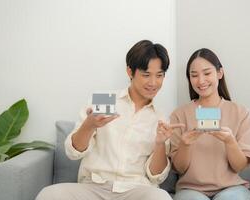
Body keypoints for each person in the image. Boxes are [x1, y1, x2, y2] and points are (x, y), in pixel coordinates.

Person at [36, 40, 183, 200]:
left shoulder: (160, 118)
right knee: (49, 195)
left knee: (162, 198)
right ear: (130, 71)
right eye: (146, 75)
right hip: (93, 187)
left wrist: (160, 143)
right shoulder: (105, 100)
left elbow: (156, 176)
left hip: (135, 190)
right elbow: (73, 153)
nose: (153, 83)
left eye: (159, 75)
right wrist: (89, 125)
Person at [170, 48, 250, 200]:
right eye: (194, 75)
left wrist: (230, 142)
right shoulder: (179, 114)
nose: (201, 80)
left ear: (219, 73)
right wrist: (185, 144)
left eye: (207, 73)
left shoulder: (240, 112)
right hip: (190, 189)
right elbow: (179, 168)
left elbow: (239, 166)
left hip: (231, 188)